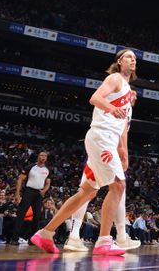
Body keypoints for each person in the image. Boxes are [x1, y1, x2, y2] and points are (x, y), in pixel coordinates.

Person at [31, 49, 138, 256]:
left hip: (108, 140)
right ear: (119, 61)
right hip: (101, 137)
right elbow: (95, 98)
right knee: (118, 185)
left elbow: (123, 126)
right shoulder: (114, 78)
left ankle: (45, 233)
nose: (133, 59)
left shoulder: (127, 91)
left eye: (134, 58)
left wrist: (123, 149)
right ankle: (104, 241)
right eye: (128, 56)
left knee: (87, 192)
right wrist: (110, 107)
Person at [65, 89, 140, 252]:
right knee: (117, 190)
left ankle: (73, 235)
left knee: (86, 192)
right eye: (131, 92)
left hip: (99, 147)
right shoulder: (121, 104)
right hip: (107, 151)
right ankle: (120, 237)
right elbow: (121, 132)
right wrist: (124, 152)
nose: (133, 95)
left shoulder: (114, 100)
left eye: (134, 94)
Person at [13, 151, 50, 244]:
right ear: (38, 156)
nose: (43, 157)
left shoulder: (48, 169)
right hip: (28, 191)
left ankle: (32, 239)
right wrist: (17, 193)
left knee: (37, 216)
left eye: (45, 156)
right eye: (42, 155)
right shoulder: (30, 167)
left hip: (38, 193)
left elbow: (48, 183)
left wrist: (44, 190)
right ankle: (14, 238)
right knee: (21, 214)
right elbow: (20, 179)